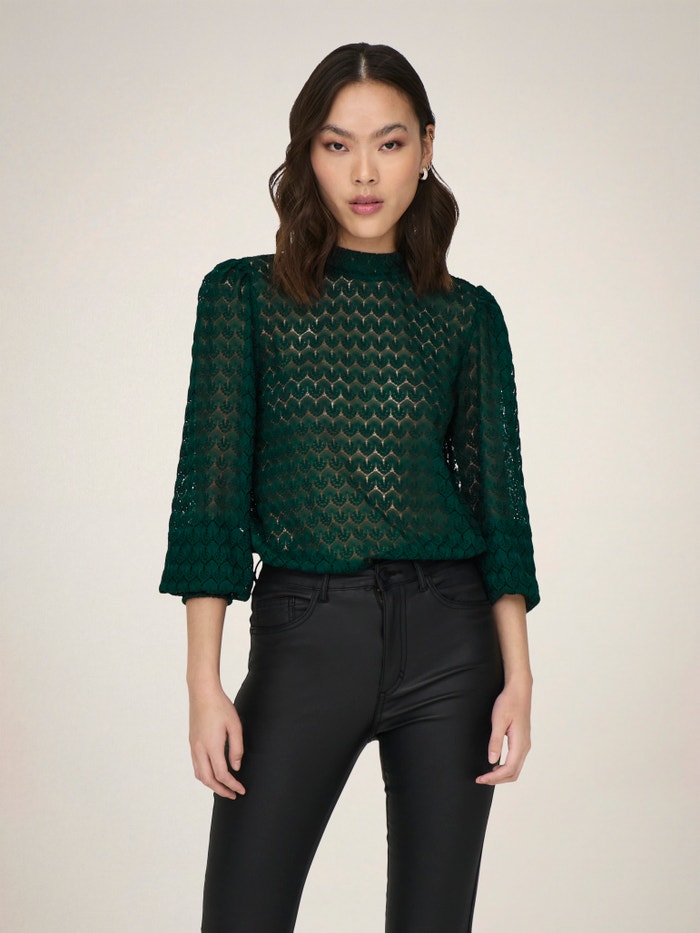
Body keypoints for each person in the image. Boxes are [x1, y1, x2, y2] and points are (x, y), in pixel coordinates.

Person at [160, 41, 540, 933]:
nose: (364, 172)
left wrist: (520, 677)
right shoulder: (242, 297)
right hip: (308, 637)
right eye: (337, 145)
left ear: (426, 147)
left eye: (390, 143)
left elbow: (500, 507)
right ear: (308, 153)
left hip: (453, 644)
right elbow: (211, 501)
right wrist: (205, 684)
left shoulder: (468, 313)